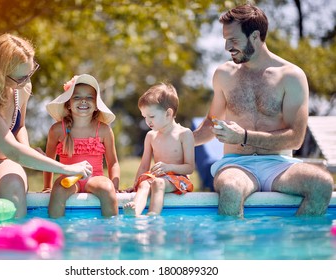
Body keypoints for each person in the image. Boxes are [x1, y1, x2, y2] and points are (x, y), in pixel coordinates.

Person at [193, 4, 334, 217]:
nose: (227, 47)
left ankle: (294, 246)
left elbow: (295, 139)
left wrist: (245, 136)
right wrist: (178, 139)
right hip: (236, 165)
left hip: (279, 165)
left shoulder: (291, 76)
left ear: (255, 36)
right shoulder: (224, 74)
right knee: (231, 189)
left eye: (233, 40)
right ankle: (236, 249)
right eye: (225, 39)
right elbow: (211, 124)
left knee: (322, 184)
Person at [0, 34, 92, 218]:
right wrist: (67, 168)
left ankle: (16, 244)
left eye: (30, 73)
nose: (26, 81)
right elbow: (11, 150)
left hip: (1, 162)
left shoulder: (22, 87)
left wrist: (27, 150)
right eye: (21, 77)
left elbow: (19, 126)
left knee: (14, 186)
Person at [44, 74, 119, 218]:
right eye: (77, 97)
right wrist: (47, 186)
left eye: (89, 97)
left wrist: (115, 185)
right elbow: (49, 160)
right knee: (58, 190)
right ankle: (58, 232)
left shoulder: (103, 130)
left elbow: (113, 162)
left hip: (95, 178)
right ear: (68, 104)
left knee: (107, 189)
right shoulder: (57, 130)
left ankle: (110, 234)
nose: (83, 100)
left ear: (96, 105)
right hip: (69, 177)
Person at [124, 83, 195, 216]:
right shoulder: (151, 136)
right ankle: (135, 210)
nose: (147, 122)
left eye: (151, 117)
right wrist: (135, 185)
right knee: (144, 184)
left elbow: (189, 168)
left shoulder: (184, 134)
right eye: (144, 117)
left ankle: (153, 214)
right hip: (158, 177)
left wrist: (169, 167)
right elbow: (144, 165)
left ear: (168, 113)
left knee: (158, 183)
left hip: (179, 179)